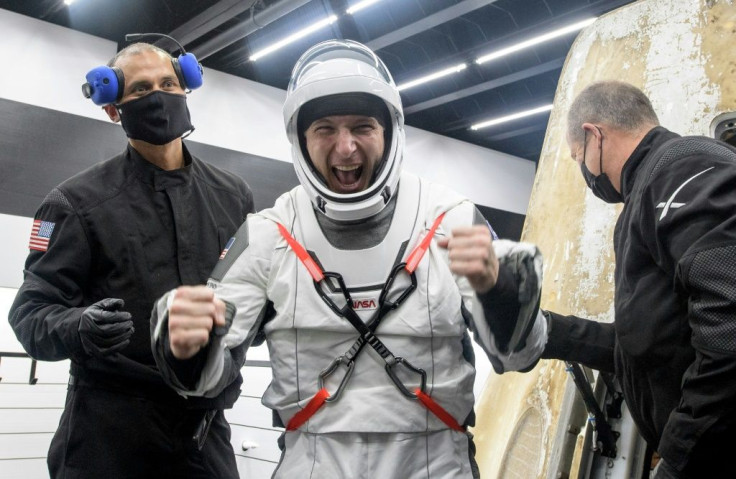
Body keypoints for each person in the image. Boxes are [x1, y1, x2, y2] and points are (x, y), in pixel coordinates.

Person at [150, 39, 548, 478]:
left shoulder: (450, 218)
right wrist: (186, 345)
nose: (345, 148)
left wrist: (504, 291)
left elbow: (518, 356)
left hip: (435, 462)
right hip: (314, 461)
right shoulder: (268, 234)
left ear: (390, 132)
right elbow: (202, 382)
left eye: (363, 127)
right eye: (325, 129)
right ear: (300, 139)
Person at [464, 81, 736, 478]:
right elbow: (650, 338)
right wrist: (545, 332)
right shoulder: (647, 194)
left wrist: (679, 459)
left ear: (594, 137)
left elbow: (728, 336)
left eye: (578, 157)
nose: (584, 173)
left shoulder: (683, 171)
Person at [9, 41, 254, 478]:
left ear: (187, 88)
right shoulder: (75, 203)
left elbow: (253, 295)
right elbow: (30, 313)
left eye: (167, 84)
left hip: (204, 436)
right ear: (111, 107)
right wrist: (78, 327)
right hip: (108, 440)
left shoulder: (233, 197)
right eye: (140, 90)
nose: (158, 97)